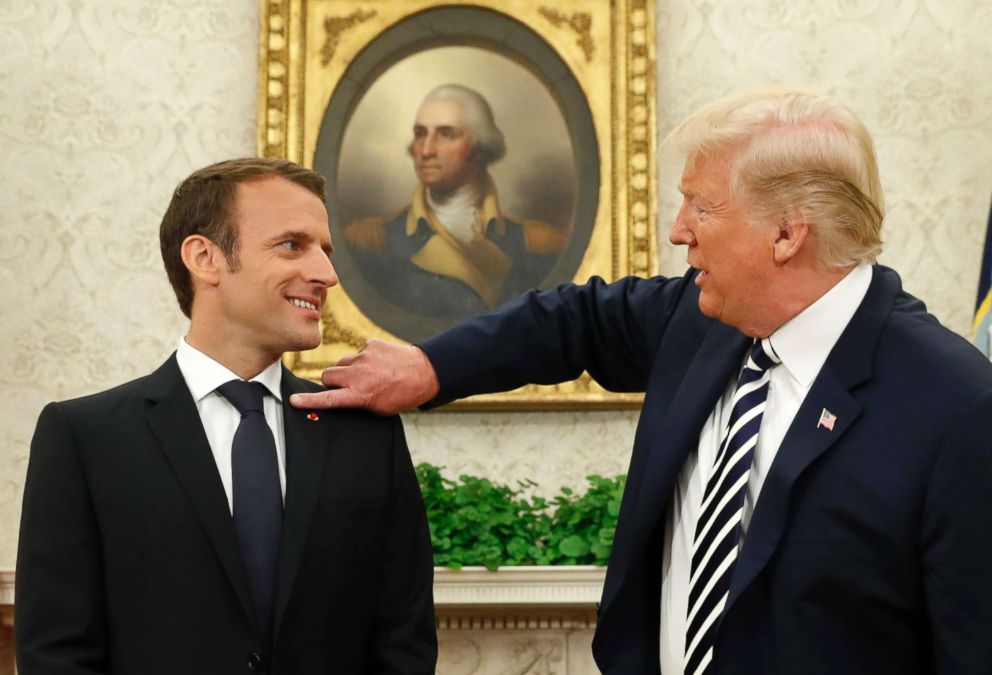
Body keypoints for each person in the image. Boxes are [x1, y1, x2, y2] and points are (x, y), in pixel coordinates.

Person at [291, 88, 992, 674]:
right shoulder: (701, 317)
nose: (678, 232)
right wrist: (430, 367)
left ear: (787, 234)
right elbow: (571, 322)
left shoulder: (956, 408)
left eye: (701, 206)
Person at [16, 158, 437, 674]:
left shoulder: (367, 436)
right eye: (292, 245)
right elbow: (56, 653)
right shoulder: (85, 438)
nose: (327, 274)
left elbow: (404, 644)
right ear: (205, 258)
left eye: (325, 251)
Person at [344, 83, 567, 323]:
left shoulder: (537, 244)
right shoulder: (371, 242)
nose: (426, 150)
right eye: (421, 134)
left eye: (446, 134)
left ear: (480, 148)